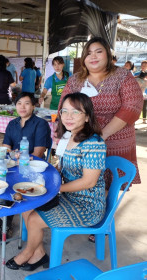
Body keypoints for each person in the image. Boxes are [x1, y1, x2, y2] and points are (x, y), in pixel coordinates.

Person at [6, 92, 107, 272]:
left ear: (87, 117)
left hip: (87, 204)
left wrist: (55, 188)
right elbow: (60, 167)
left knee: (35, 219)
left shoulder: (94, 143)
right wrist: (43, 180)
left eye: (75, 112)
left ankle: (28, 253)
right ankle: (39, 254)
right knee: (26, 204)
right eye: (64, 111)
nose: (68, 117)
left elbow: (89, 182)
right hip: (67, 195)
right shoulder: (68, 137)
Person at [60, 37, 143, 190]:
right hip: (81, 141)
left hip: (115, 140)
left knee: (108, 189)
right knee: (80, 185)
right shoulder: (75, 80)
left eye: (99, 52)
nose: (93, 56)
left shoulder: (123, 77)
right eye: (89, 53)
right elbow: (63, 107)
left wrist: (102, 135)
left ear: (108, 55)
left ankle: (104, 213)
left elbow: (131, 107)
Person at [0, 92, 52, 240]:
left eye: (27, 103)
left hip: (32, 170)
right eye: (19, 103)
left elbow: (38, 154)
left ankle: (6, 221)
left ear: (33, 106)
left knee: (12, 183)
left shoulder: (41, 124)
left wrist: (19, 157)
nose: (22, 107)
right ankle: (2, 215)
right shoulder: (12, 123)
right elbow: (5, 148)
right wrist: (9, 156)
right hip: (13, 165)